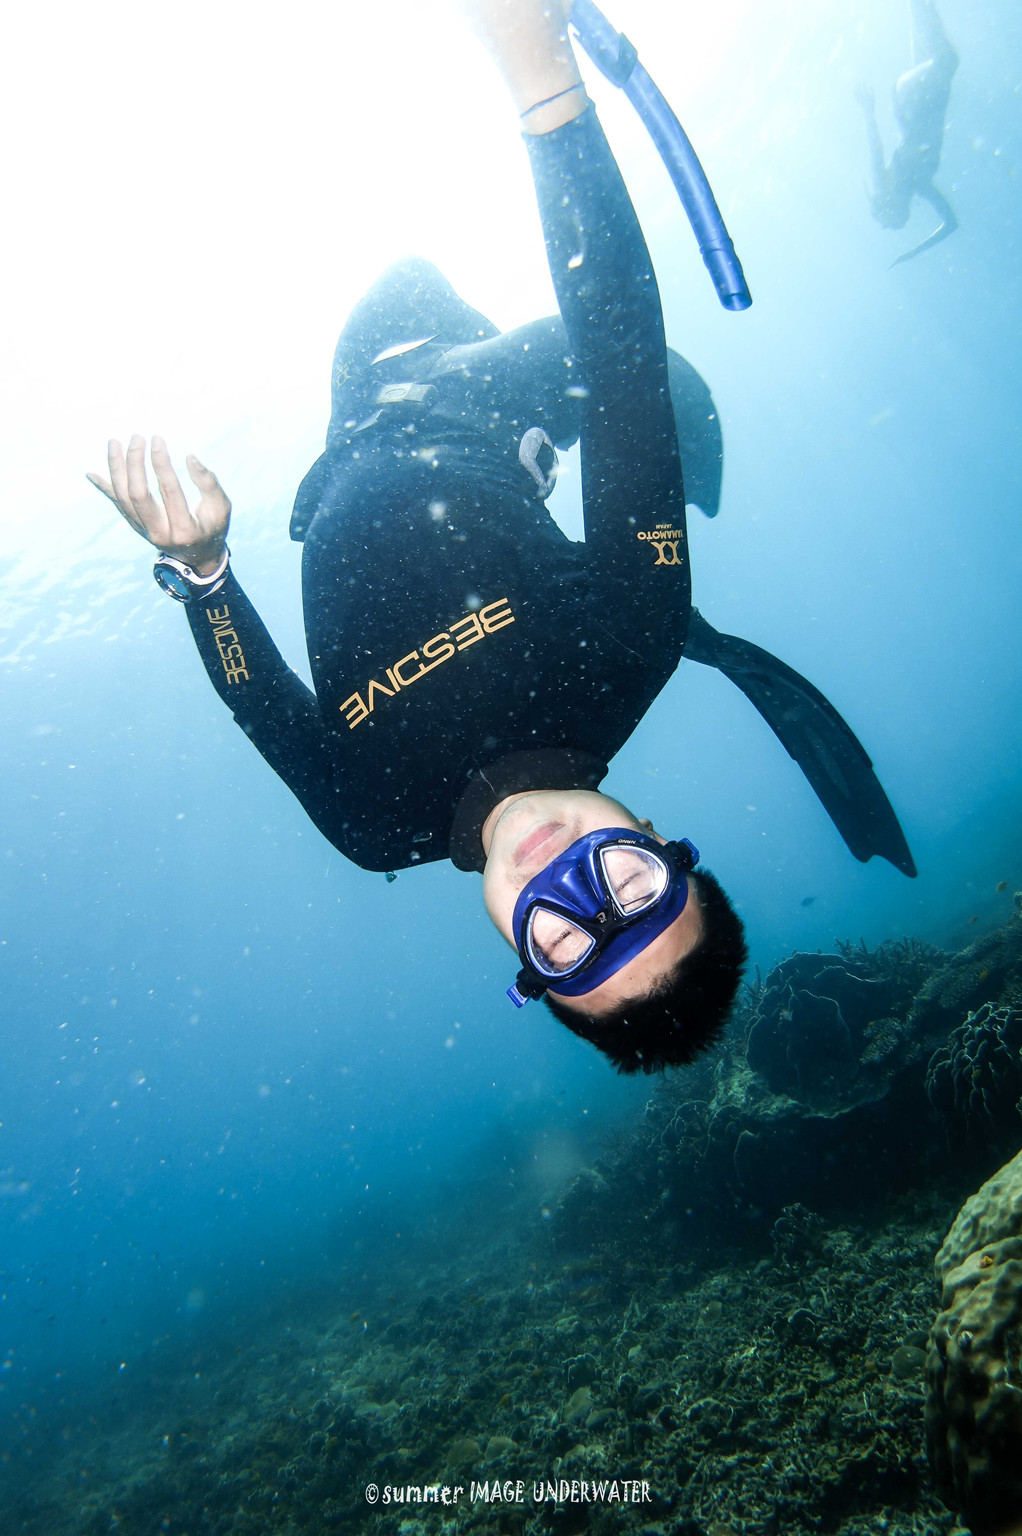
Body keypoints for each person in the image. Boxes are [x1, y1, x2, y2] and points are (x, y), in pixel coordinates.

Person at [88, 0, 914, 1075]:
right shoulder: (631, 639)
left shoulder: (375, 823)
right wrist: (545, 87)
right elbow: (620, 357)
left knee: (381, 292)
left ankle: (533, 449)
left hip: (348, 431)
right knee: (643, 385)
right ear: (659, 841)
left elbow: (256, 696)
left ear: (524, 970)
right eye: (628, 891)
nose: (565, 881)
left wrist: (202, 574)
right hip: (476, 393)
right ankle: (542, 444)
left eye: (568, 940)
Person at [856, 0, 959, 264]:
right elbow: (951, 223)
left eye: (895, 215)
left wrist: (868, 110)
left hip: (911, 101)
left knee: (946, 59)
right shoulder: (920, 186)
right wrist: (913, 252)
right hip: (927, 99)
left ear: (891, 204)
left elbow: (875, 148)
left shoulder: (901, 181)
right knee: (922, 17)